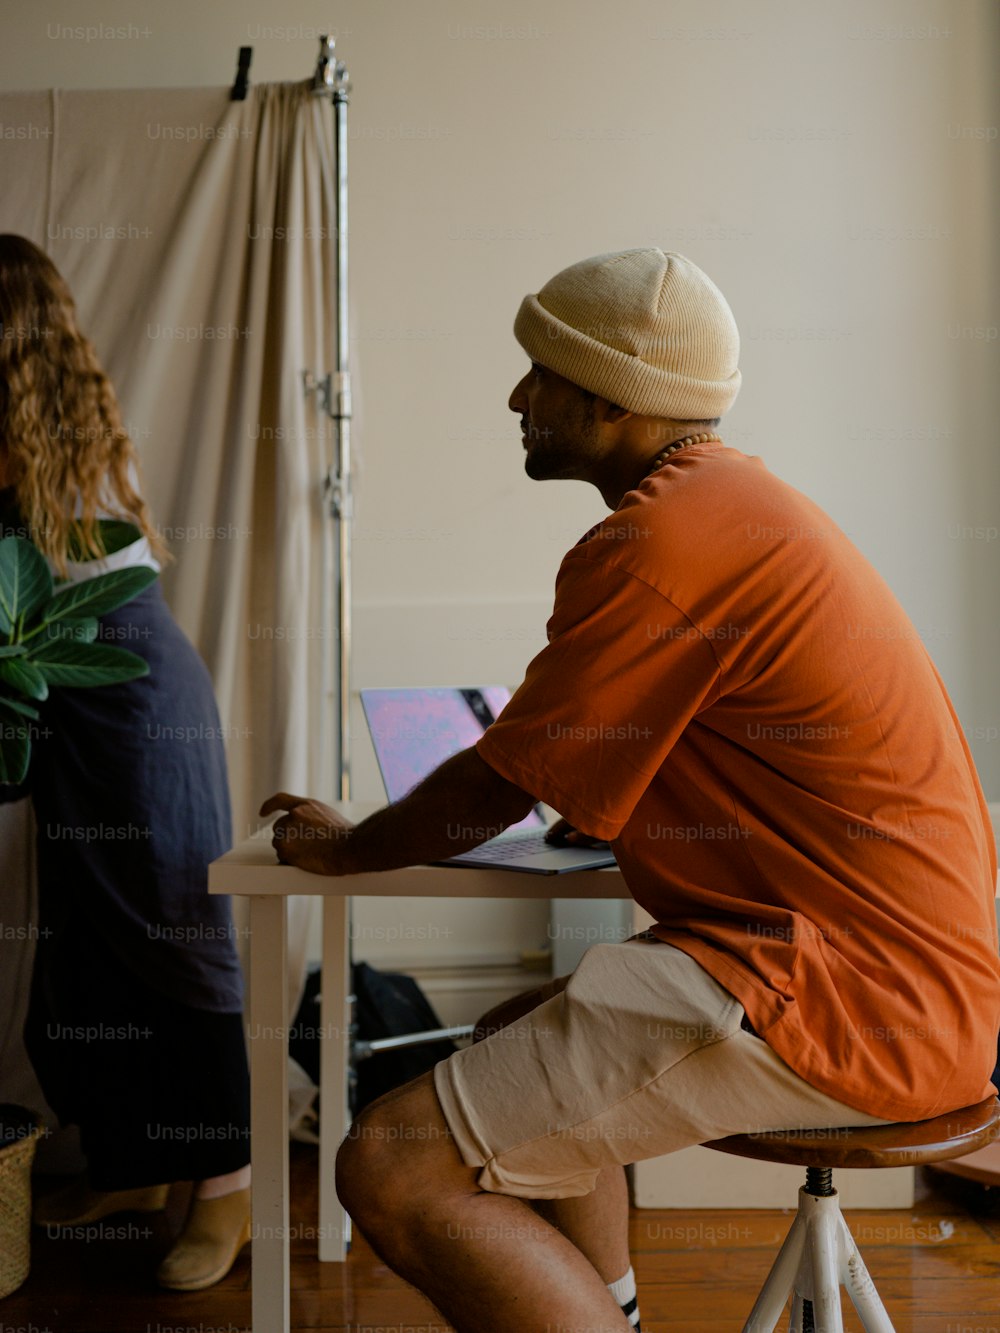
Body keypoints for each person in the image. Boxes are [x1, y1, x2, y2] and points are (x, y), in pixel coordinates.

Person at [262, 248, 1000, 1333]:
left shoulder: (657, 540)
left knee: (387, 1166)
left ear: (613, 398)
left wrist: (343, 847)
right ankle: (615, 1309)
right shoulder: (735, 511)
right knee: (514, 1026)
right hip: (909, 991)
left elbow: (496, 786)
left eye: (540, 373)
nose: (517, 397)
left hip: (841, 998)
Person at [0, 234, 251, 1292]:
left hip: (136, 705)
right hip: (63, 695)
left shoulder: (59, 429)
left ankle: (227, 1187)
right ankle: (135, 1165)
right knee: (83, 952)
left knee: (173, 935)